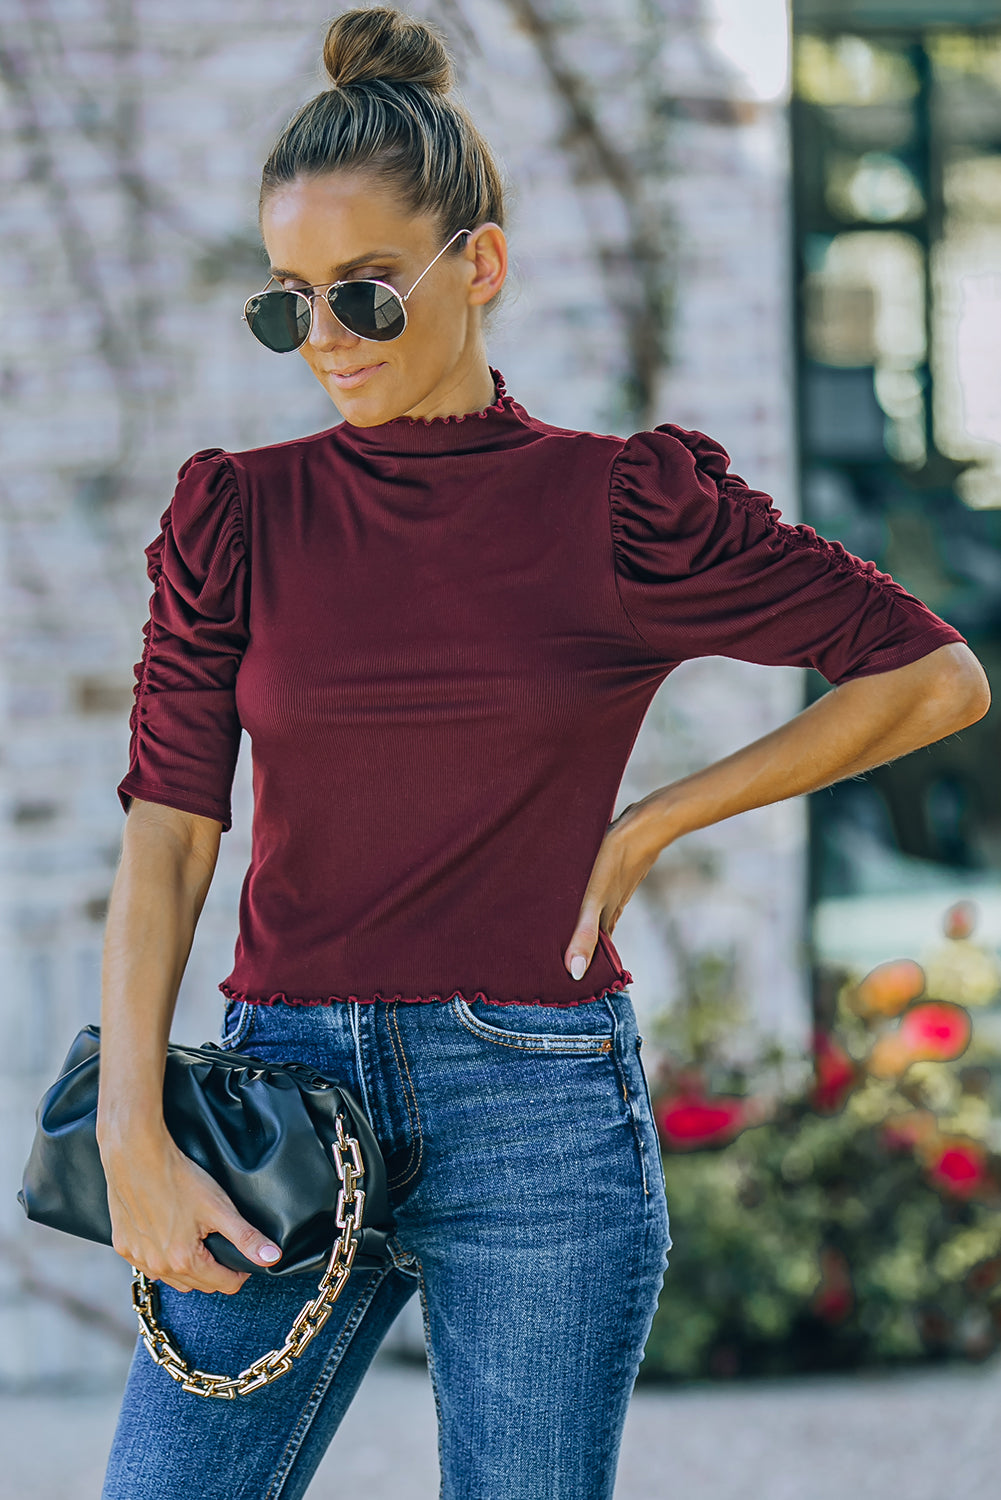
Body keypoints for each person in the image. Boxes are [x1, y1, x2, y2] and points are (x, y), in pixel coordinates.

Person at [95, 7, 989, 1498]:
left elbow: (927, 675)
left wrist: (650, 826)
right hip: (278, 1101)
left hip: (539, 1110)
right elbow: (170, 825)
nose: (323, 342)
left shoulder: (616, 512)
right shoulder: (237, 517)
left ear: (480, 267)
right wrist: (132, 1125)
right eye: (287, 304)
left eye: (364, 298)